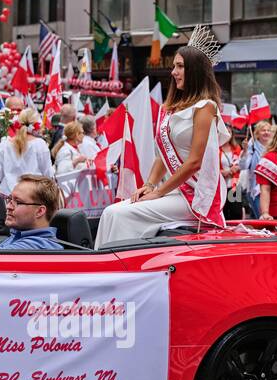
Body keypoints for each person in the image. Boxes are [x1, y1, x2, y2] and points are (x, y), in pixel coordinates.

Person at [94, 45, 229, 248]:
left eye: (180, 66)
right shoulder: (172, 109)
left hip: (198, 194)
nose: (174, 72)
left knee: (120, 214)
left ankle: (121, 269)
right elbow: (163, 155)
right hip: (177, 190)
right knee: (109, 212)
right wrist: (149, 185)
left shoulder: (205, 107)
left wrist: (158, 192)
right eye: (174, 66)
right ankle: (101, 268)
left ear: (195, 70)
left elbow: (194, 162)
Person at [0, 107, 54, 194]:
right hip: (32, 195)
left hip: (8, 194)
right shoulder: (40, 144)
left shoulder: (5, 144)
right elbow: (48, 174)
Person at [240, 120, 273, 219]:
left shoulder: (273, 147)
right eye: (263, 130)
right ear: (257, 134)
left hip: (272, 189)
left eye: (268, 130)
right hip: (256, 189)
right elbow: (243, 166)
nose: (266, 132)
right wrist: (245, 151)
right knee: (263, 219)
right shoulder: (252, 146)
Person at [220, 127, 245, 222]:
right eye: (224, 131)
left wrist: (236, 168)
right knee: (224, 211)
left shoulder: (237, 148)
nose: (227, 134)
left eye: (229, 132)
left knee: (236, 212)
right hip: (221, 185)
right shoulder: (215, 149)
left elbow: (242, 164)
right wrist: (222, 172)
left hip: (235, 185)